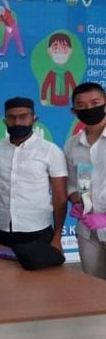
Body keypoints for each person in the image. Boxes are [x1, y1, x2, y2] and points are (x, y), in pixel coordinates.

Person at [0, 97, 67, 249]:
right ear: (5, 121)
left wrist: (57, 237)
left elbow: (60, 198)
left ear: (34, 119)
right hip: (0, 227)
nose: (17, 122)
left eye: (23, 116)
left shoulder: (51, 151)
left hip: (37, 229)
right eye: (11, 117)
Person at [64, 82, 106, 278]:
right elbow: (72, 184)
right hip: (88, 231)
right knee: (93, 284)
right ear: (74, 111)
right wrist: (77, 202)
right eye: (82, 106)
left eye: (95, 103)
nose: (89, 109)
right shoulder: (72, 145)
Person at [40, 32, 77, 107]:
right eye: (55, 49)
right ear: (49, 51)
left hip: (65, 101)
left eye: (64, 49)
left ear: (70, 51)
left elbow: (74, 87)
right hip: (53, 101)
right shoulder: (51, 73)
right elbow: (45, 86)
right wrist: (43, 99)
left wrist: (76, 100)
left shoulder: (67, 73)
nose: (60, 52)